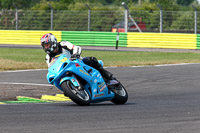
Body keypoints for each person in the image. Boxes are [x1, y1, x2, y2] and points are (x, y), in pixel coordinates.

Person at [40, 33, 113, 84]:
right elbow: (51, 69)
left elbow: (76, 47)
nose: (46, 47)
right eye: (45, 46)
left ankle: (105, 74)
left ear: (53, 42)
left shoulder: (63, 44)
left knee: (90, 60)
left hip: (77, 63)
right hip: (65, 71)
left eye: (47, 45)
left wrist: (75, 54)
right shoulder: (48, 58)